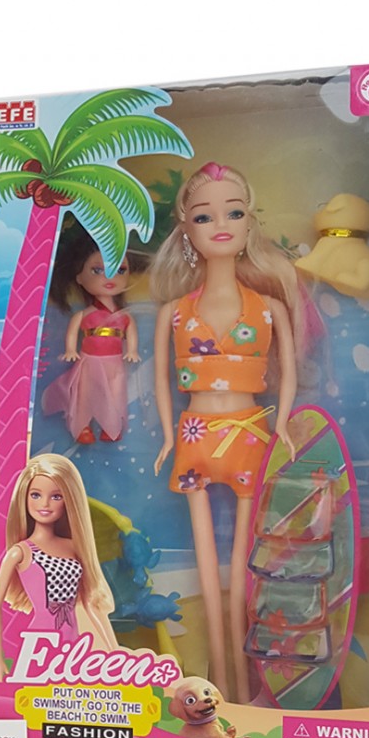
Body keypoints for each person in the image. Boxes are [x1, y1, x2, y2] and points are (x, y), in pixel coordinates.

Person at [152, 162, 300, 702]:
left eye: (233, 213)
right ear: (185, 230)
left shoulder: (270, 308)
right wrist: (168, 436)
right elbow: (161, 379)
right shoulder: (174, 312)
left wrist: (282, 426)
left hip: (250, 432)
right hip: (195, 434)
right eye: (203, 216)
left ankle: (241, 685)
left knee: (240, 572)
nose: (220, 225)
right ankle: (213, 687)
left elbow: (289, 375)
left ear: (249, 222)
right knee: (205, 569)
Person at [0, 453, 118, 681]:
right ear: (24, 497)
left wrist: (114, 652)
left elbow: (90, 603)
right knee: (35, 694)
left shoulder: (73, 547)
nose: (45, 504)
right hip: (40, 640)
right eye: (36, 495)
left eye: (56, 496)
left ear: (69, 500)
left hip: (72, 640)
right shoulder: (20, 552)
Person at [42, 228, 141, 443]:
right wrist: (70, 350)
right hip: (89, 361)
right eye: (97, 270)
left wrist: (132, 350)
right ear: (79, 277)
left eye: (120, 269)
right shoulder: (84, 315)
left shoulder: (124, 317)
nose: (109, 277)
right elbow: (72, 332)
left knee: (115, 393)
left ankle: (111, 425)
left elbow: (131, 332)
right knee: (85, 393)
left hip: (114, 362)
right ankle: (83, 426)